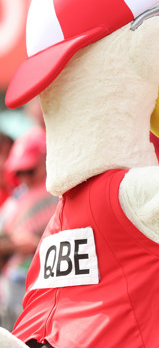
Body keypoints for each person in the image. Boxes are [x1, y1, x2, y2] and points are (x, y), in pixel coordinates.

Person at [0, 128, 57, 329]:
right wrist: (15, 244)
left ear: (46, 161)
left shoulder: (62, 193)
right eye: (19, 172)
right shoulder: (15, 202)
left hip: (51, 288)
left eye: (30, 170)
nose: (25, 177)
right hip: (15, 289)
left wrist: (36, 244)